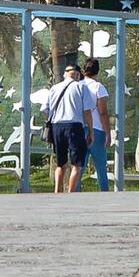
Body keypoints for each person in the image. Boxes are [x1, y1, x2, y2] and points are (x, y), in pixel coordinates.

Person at [44, 63, 90, 194]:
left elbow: (45, 109)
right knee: (76, 164)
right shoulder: (81, 87)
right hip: (74, 125)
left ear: (65, 73)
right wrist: (90, 130)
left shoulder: (54, 88)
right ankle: (70, 192)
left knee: (61, 164)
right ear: (77, 74)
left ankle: (57, 191)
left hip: (57, 126)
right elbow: (87, 111)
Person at [82, 56, 111, 192]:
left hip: (80, 128)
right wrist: (108, 133)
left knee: (79, 166)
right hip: (97, 128)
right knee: (100, 166)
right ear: (97, 71)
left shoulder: (78, 86)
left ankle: (74, 192)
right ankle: (104, 192)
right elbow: (103, 112)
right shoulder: (98, 87)